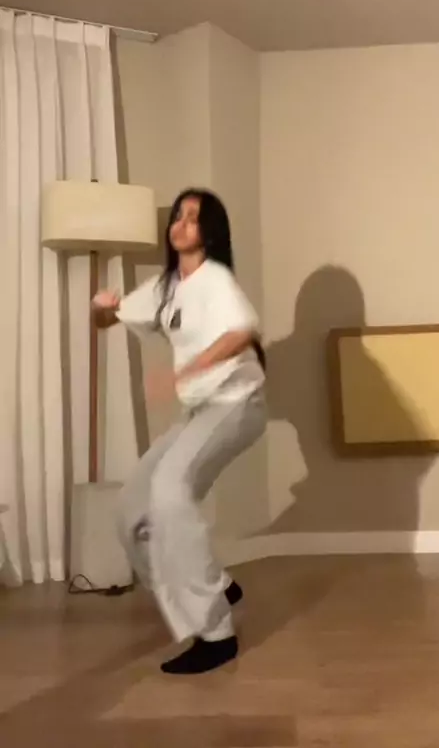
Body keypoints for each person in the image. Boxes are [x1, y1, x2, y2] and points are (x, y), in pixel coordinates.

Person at [91, 188, 266, 674]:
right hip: (199, 410)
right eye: (177, 216)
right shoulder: (166, 287)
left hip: (236, 402)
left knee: (170, 489)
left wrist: (184, 374)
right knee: (131, 510)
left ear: (208, 231)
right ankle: (215, 585)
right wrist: (102, 306)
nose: (181, 224)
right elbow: (107, 319)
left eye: (192, 217)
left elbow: (242, 333)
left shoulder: (216, 279)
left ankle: (216, 633)